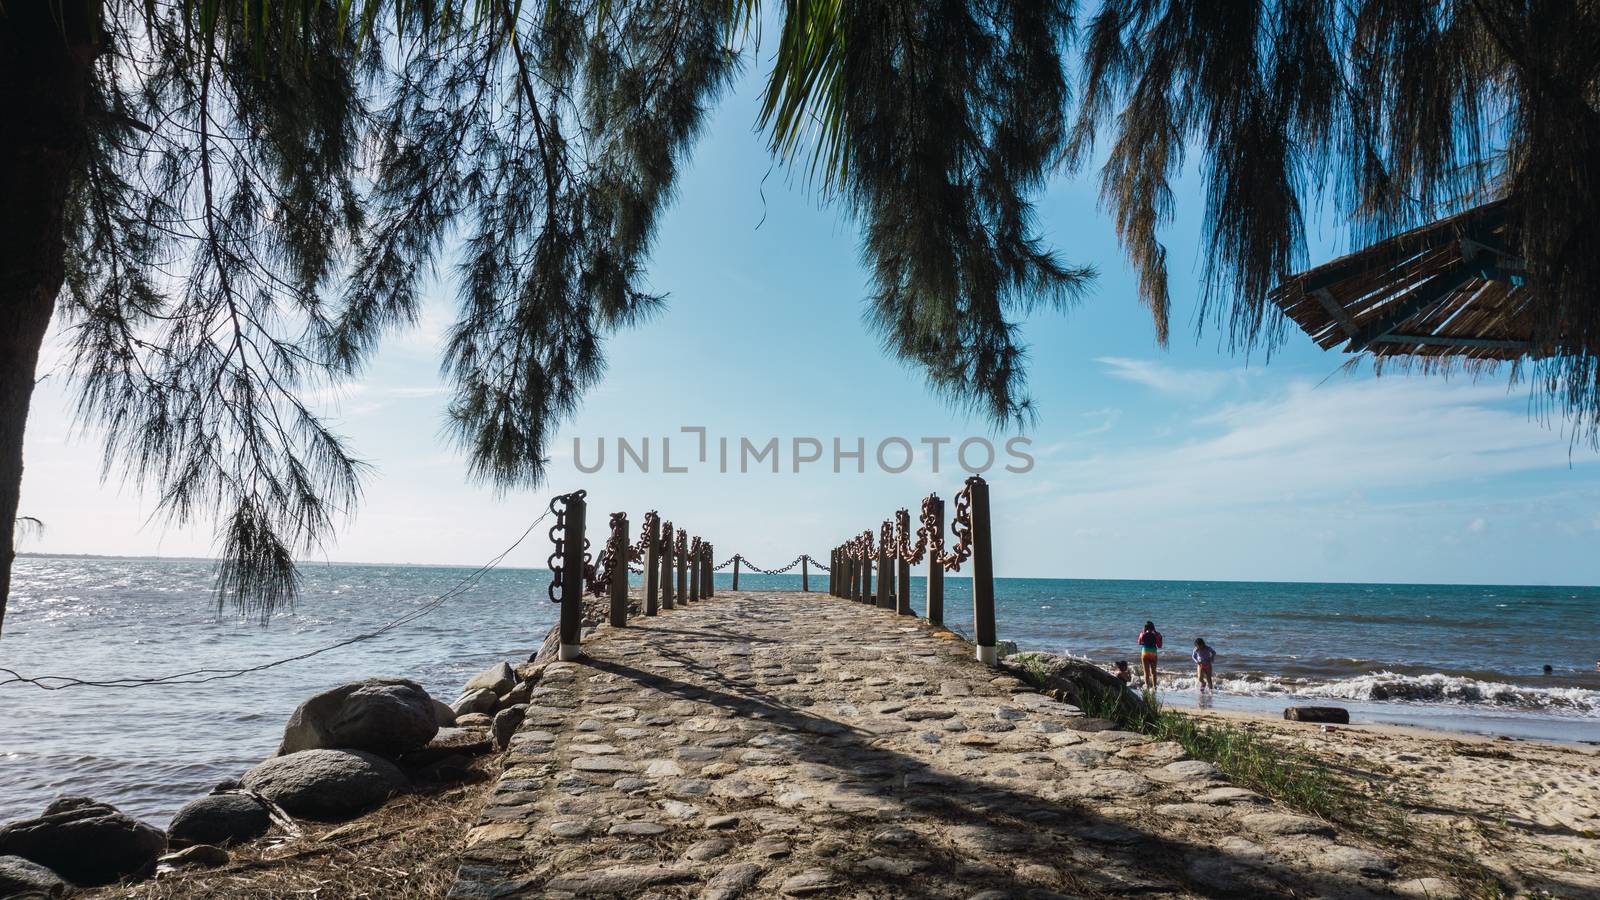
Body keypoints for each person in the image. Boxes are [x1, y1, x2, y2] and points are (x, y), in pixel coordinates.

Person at [1136, 621, 1162, 688]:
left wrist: (1143, 632)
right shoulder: (1157, 634)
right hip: (1153, 653)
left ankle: (1147, 686)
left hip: (1145, 652)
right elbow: (1159, 646)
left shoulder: (1142, 634)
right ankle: (1154, 687)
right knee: (1153, 672)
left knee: (1146, 672)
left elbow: (1139, 643)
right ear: (1153, 627)